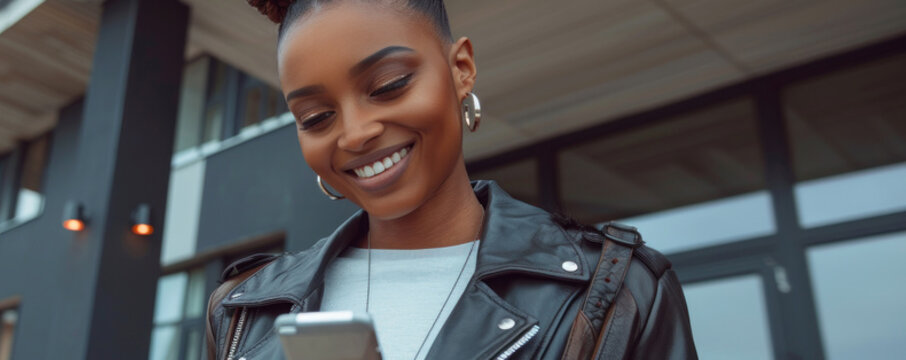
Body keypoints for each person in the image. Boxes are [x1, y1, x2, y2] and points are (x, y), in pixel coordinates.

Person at [204, 0, 698, 359]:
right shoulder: (241, 310)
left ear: (461, 69)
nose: (355, 135)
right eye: (315, 117)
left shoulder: (616, 294)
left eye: (389, 86)